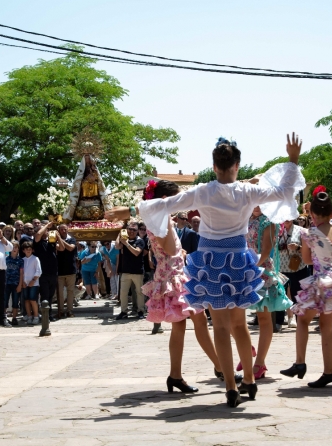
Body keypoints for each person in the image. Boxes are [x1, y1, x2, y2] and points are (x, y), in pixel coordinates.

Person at [107, 133, 305, 407]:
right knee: (239, 324)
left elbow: (166, 205)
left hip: (210, 262)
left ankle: (231, 387)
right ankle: (248, 378)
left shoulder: (204, 191)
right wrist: (292, 160)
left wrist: (132, 209)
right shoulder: (247, 192)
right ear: (237, 165)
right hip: (237, 259)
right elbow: (284, 192)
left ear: (214, 166)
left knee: (221, 327)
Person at [139, 180, 239, 392]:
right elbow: (168, 247)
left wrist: (178, 250)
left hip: (172, 273)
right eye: (176, 199)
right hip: (174, 276)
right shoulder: (161, 218)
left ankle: (177, 375)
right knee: (198, 321)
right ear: (166, 200)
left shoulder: (157, 217)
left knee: (183, 325)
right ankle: (219, 368)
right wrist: (175, 241)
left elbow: (167, 249)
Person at [283, 192, 332, 387]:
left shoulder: (309, 233)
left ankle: (300, 363)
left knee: (302, 320)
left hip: (322, 279)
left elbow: (308, 260)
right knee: (327, 328)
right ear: (330, 212)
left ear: (313, 214)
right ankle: (330, 371)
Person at [244, 205, 291, 379]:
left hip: (260, 270)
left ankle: (260, 362)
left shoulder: (269, 222)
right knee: (233, 316)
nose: (255, 203)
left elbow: (265, 251)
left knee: (263, 317)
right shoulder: (246, 218)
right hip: (244, 268)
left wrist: (251, 268)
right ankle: (247, 349)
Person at [33, 221, 64, 321]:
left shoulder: (50, 241)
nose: (46, 232)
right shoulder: (37, 242)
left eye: (47, 231)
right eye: (45, 231)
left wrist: (58, 237)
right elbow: (38, 235)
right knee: (45, 295)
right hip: (43, 273)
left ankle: (49, 315)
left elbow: (62, 248)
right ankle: (45, 315)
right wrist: (46, 225)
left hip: (53, 272)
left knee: (50, 295)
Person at [114, 222, 146, 320]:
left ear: (137, 231)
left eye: (134, 230)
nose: (131, 232)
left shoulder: (140, 241)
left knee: (139, 292)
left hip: (137, 271)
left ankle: (141, 311)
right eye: (130, 229)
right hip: (126, 271)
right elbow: (117, 246)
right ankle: (124, 311)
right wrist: (119, 235)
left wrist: (126, 244)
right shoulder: (124, 240)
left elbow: (136, 252)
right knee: (123, 293)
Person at [55, 224, 78, 319]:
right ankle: (60, 311)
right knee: (59, 292)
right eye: (61, 229)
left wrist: (60, 240)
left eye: (65, 229)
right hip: (59, 270)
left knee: (70, 292)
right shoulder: (54, 240)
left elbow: (70, 248)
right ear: (58, 230)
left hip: (71, 270)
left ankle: (69, 310)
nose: (63, 231)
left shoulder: (72, 239)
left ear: (68, 230)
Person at [21, 240, 41, 325]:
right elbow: (21, 273)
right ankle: (29, 316)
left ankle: (36, 316)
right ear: (23, 251)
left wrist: (33, 281)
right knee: (26, 300)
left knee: (33, 300)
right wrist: (22, 282)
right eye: (26, 249)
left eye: (29, 249)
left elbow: (38, 271)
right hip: (25, 283)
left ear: (32, 250)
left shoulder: (35, 259)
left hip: (34, 283)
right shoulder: (22, 260)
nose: (28, 250)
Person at [5, 241, 23, 326]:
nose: (14, 249)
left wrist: (20, 284)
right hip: (6, 283)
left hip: (16, 283)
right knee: (5, 301)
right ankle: (4, 317)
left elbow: (21, 273)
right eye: (12, 247)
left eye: (16, 247)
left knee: (15, 301)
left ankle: (14, 318)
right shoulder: (6, 259)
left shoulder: (20, 260)